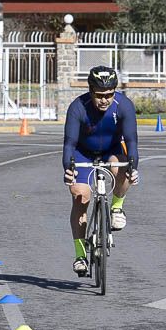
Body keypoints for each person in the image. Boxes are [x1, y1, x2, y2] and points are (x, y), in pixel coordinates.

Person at [62, 65, 139, 277]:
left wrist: (133, 167)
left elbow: (132, 141)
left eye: (109, 95)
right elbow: (69, 144)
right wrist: (68, 168)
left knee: (122, 168)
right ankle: (80, 255)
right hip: (83, 153)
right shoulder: (78, 107)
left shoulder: (124, 105)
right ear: (90, 90)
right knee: (81, 196)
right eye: (99, 95)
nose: (104, 100)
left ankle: (116, 208)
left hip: (111, 151)